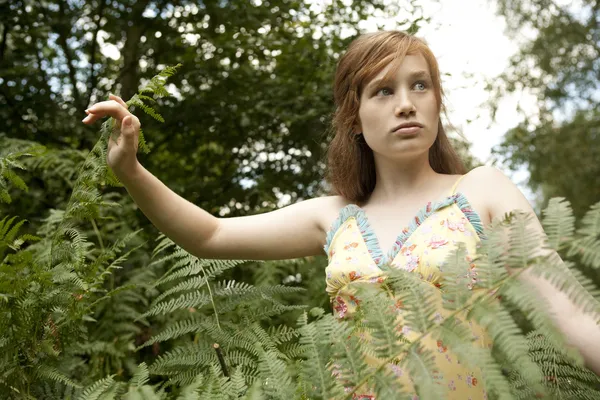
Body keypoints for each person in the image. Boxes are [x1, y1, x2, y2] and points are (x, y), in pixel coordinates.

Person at [82, 30, 600, 398]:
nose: (406, 104)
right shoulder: (335, 218)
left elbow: (571, 311)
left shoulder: (481, 191)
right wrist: (131, 171)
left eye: (420, 85)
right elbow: (212, 236)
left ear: (438, 102)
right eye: (384, 90)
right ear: (355, 115)